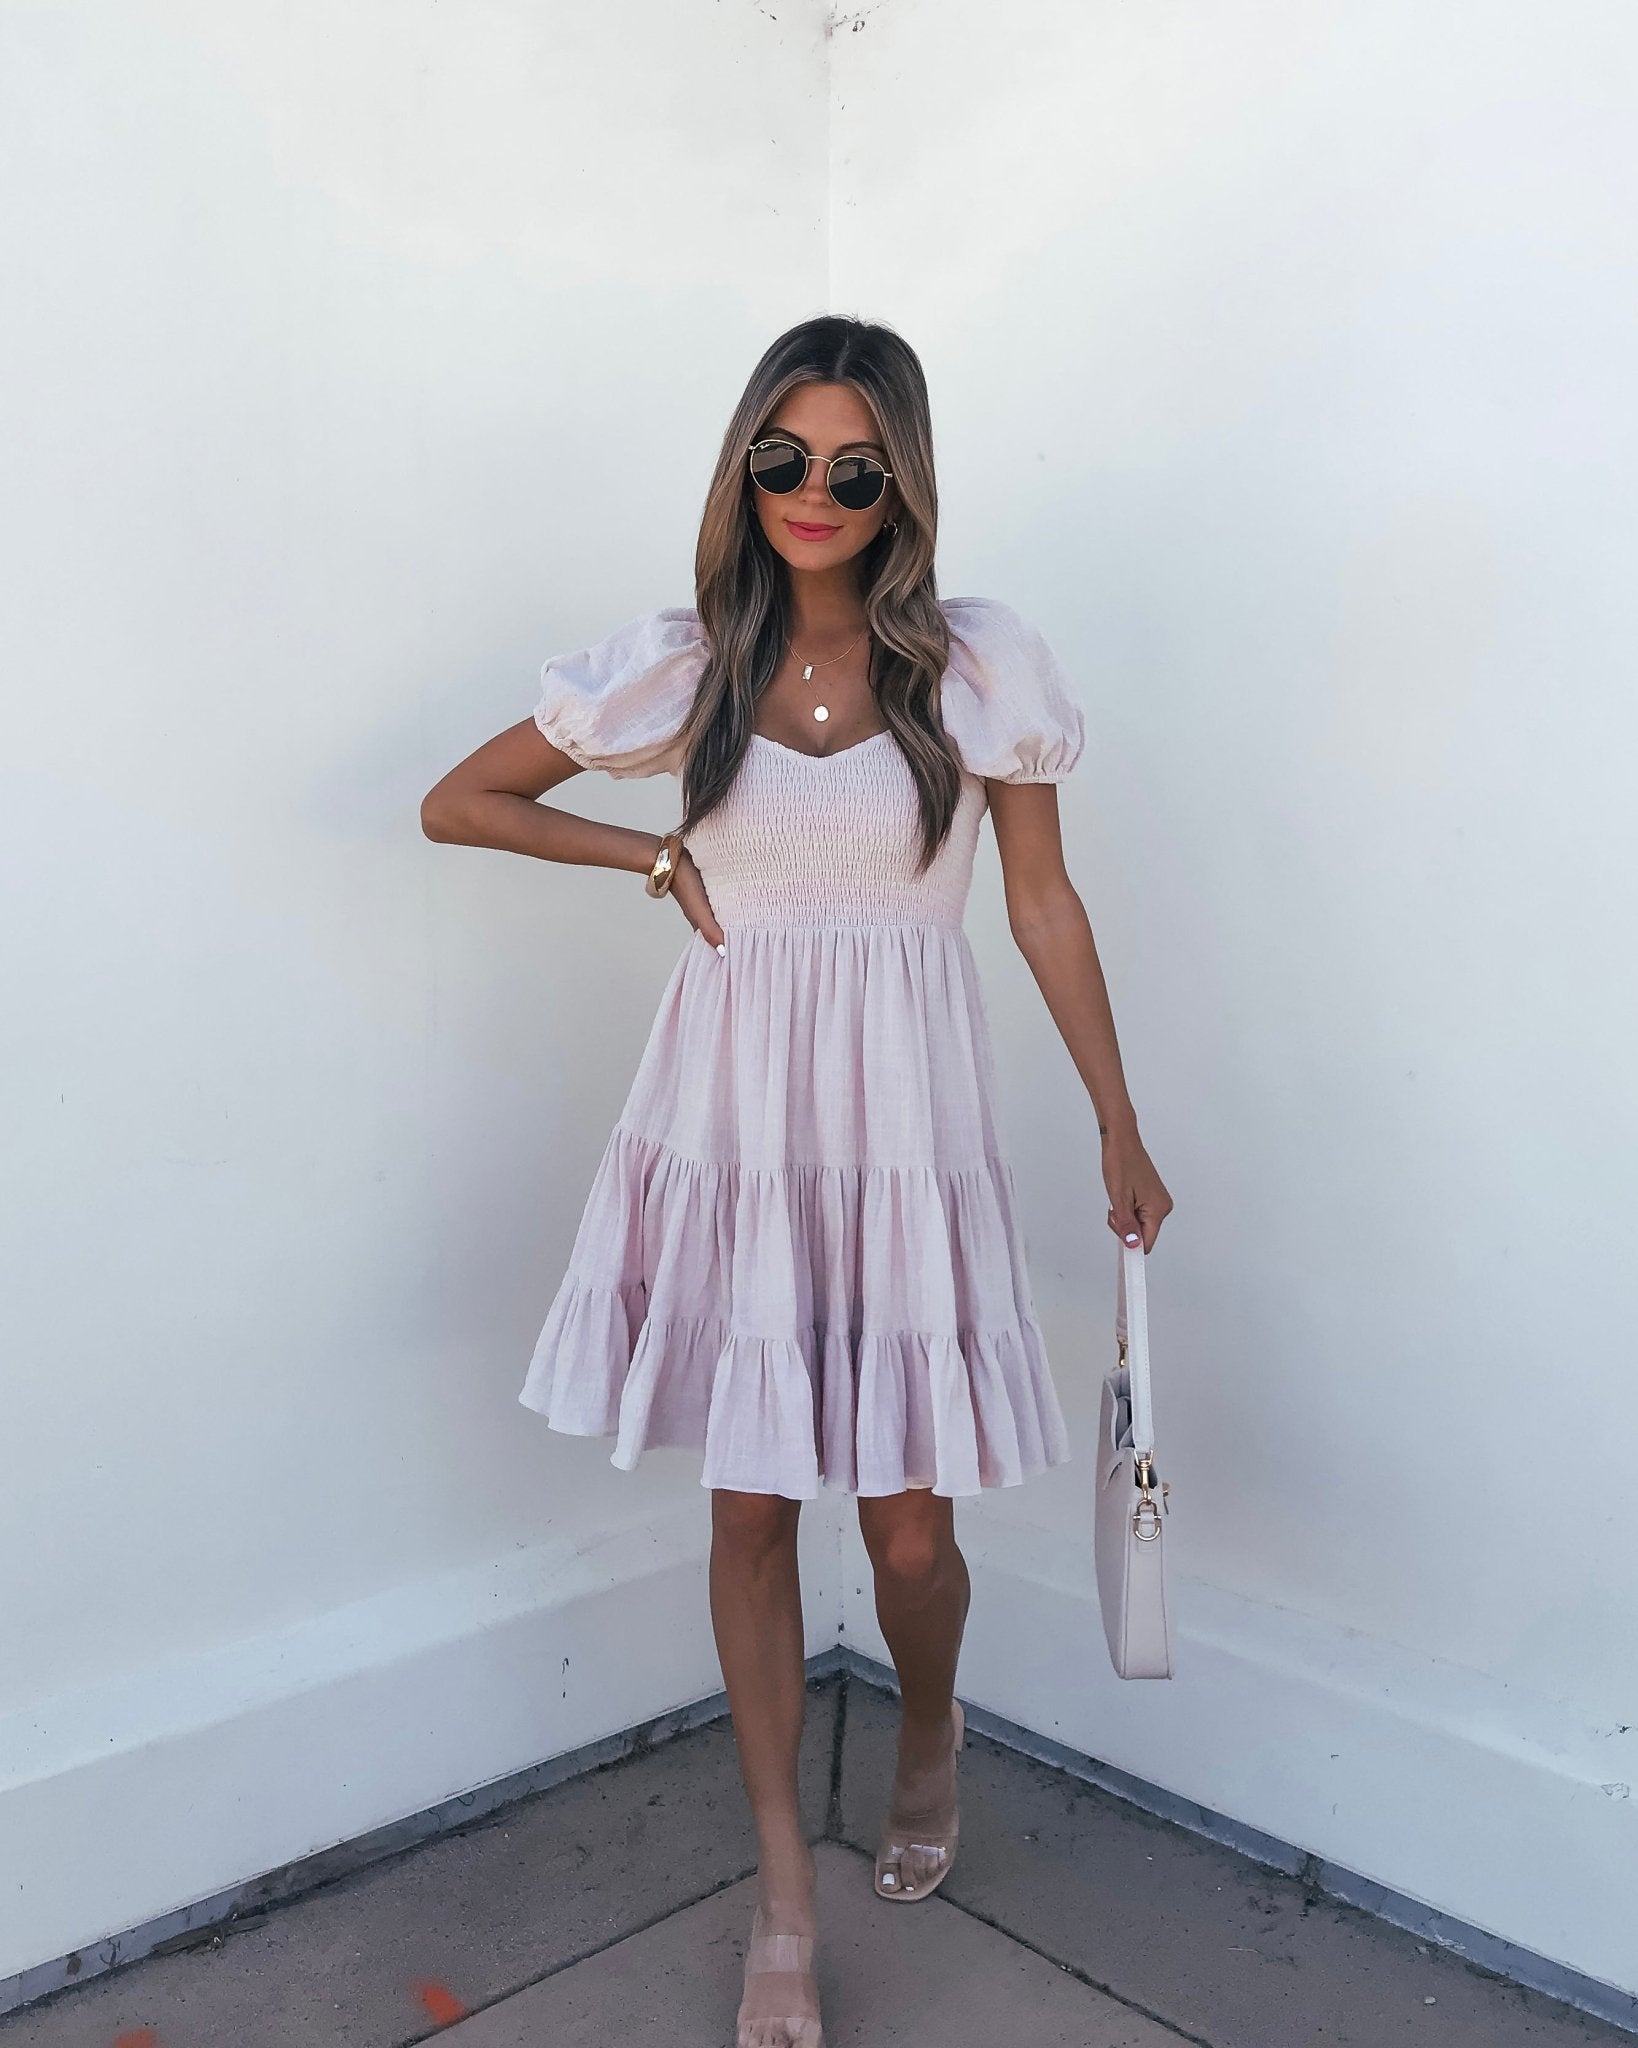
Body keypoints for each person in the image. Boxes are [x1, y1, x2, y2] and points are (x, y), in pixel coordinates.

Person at [421, 314, 1172, 2048]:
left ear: (900, 476)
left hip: (903, 1126)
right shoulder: (680, 664)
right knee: (749, 1506)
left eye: (851, 464)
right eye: (783, 458)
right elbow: (464, 801)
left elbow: (1039, 905)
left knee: (910, 1532)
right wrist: (648, 848)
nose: (813, 493)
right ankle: (780, 1896)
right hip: (733, 1119)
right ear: (742, 464)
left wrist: (1119, 1124)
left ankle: (925, 1725)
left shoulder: (976, 666)